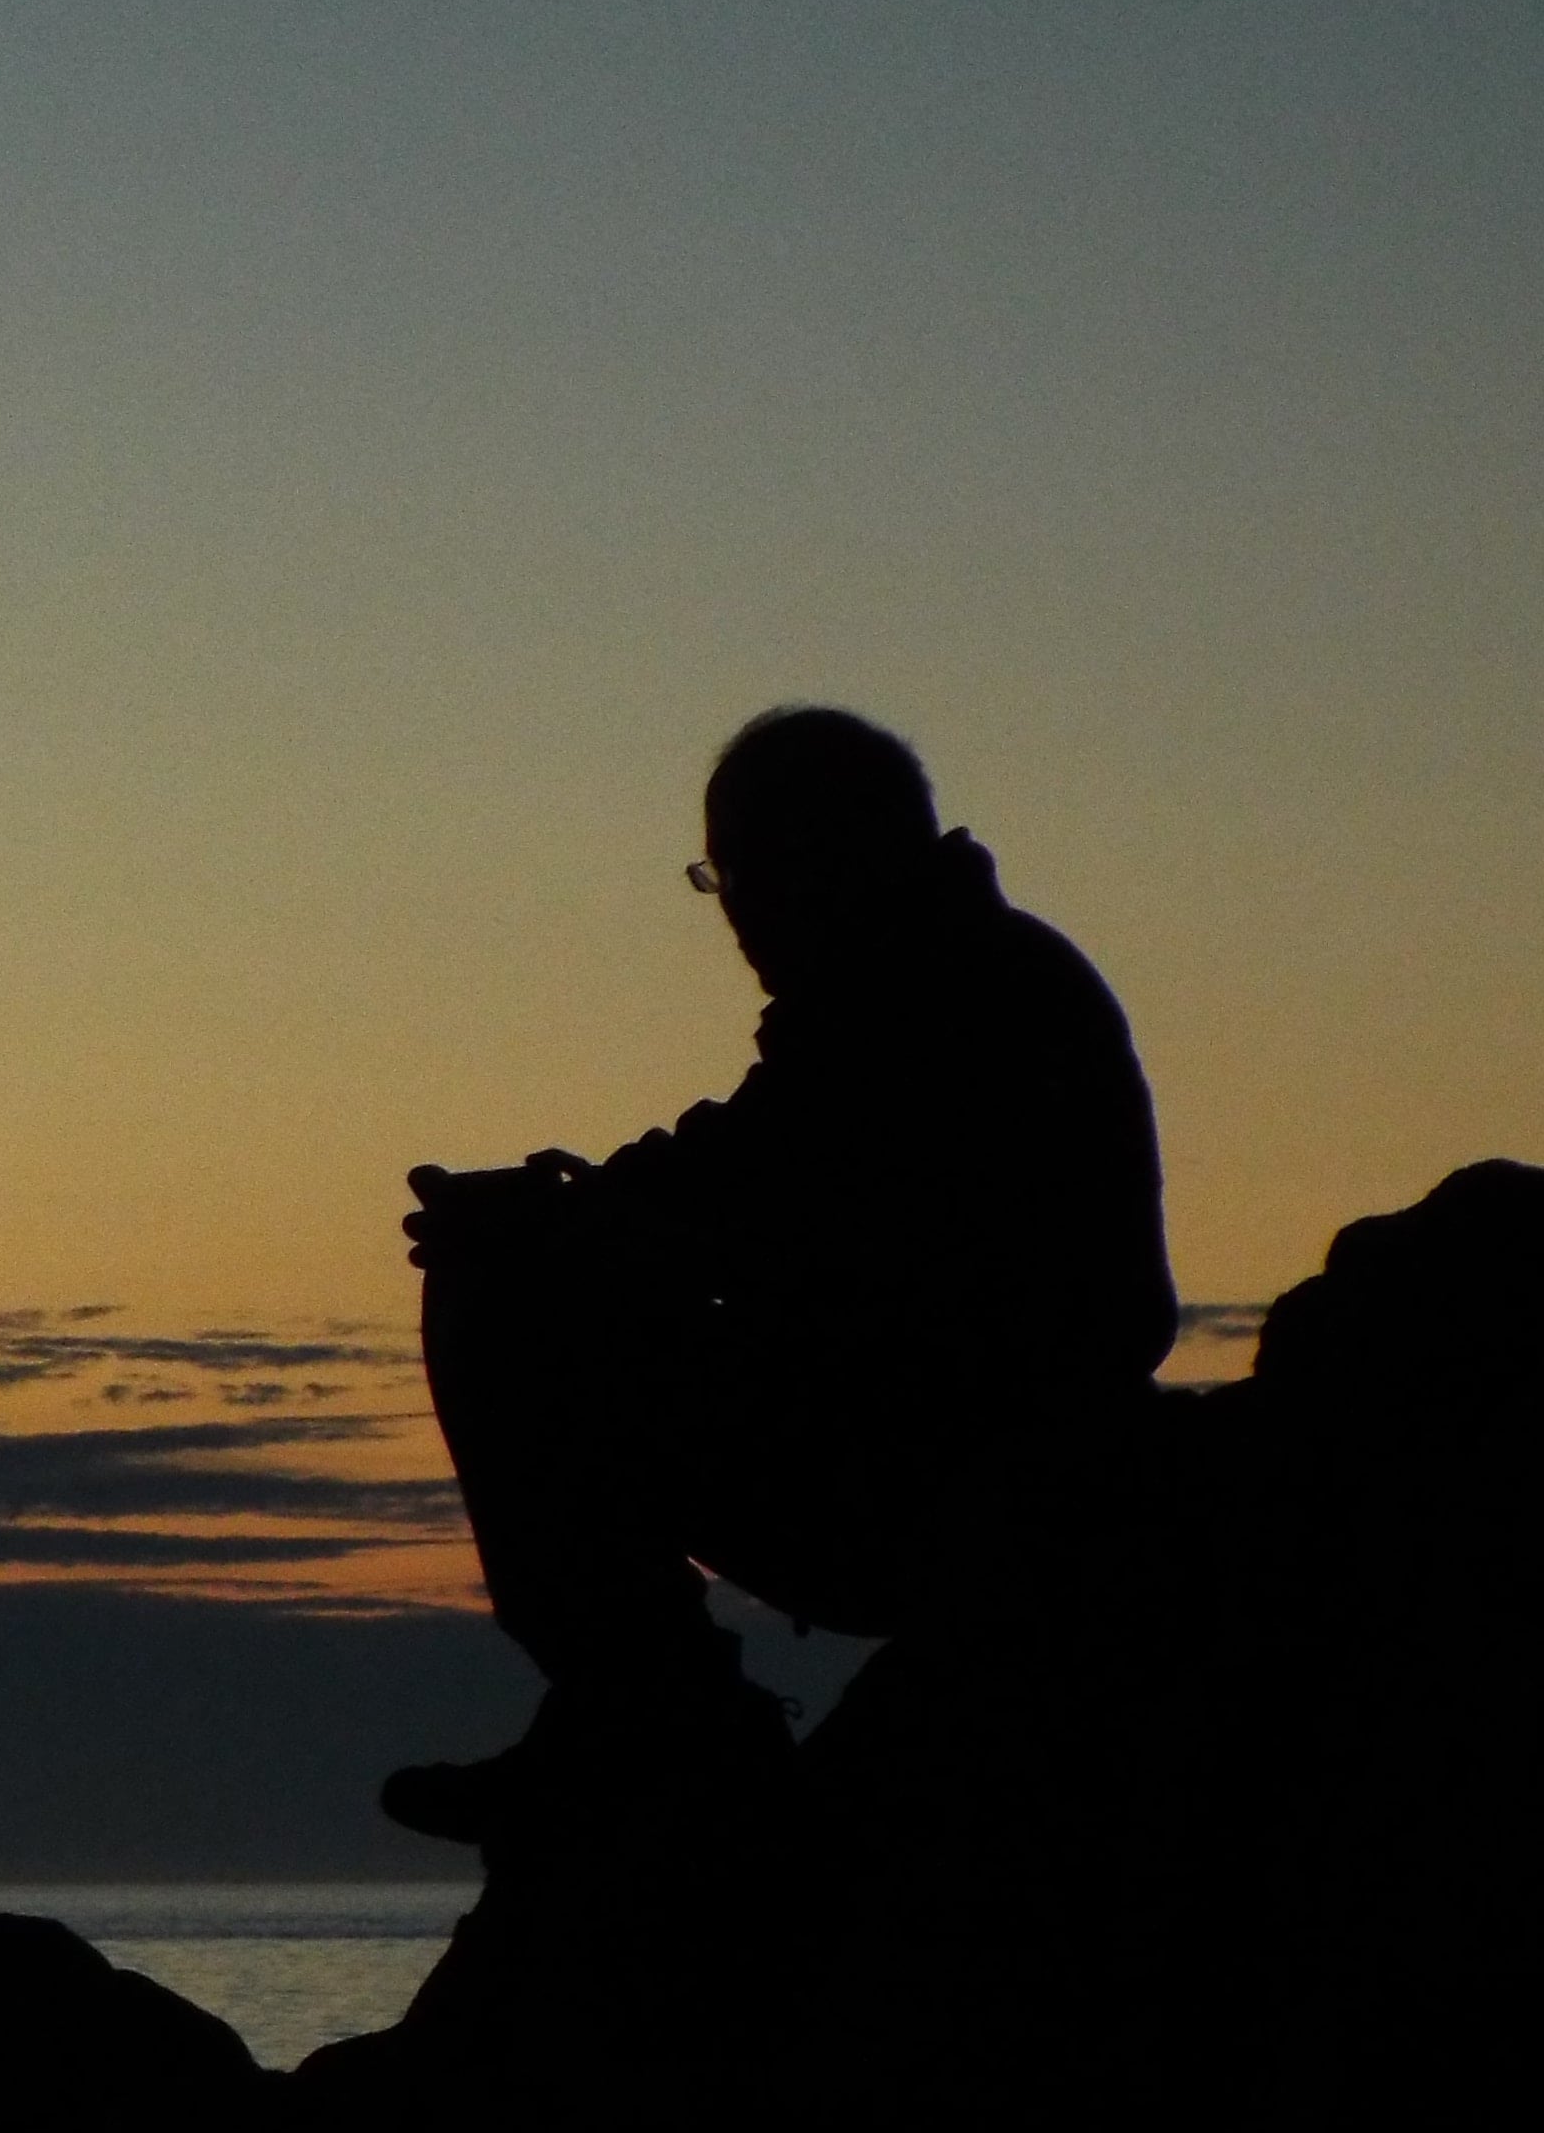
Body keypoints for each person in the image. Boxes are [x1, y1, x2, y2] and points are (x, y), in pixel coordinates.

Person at [384, 707, 1176, 1844]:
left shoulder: (940, 997)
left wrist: (553, 1230)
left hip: (962, 1474)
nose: (738, 910)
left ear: (839, 852)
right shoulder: (927, 980)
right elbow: (733, 1172)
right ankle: (645, 1713)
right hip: (946, 1445)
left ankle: (654, 1721)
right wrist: (570, 1210)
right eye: (721, 876)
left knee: (506, 1306)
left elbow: (759, 1205)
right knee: (520, 1275)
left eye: (749, 869)